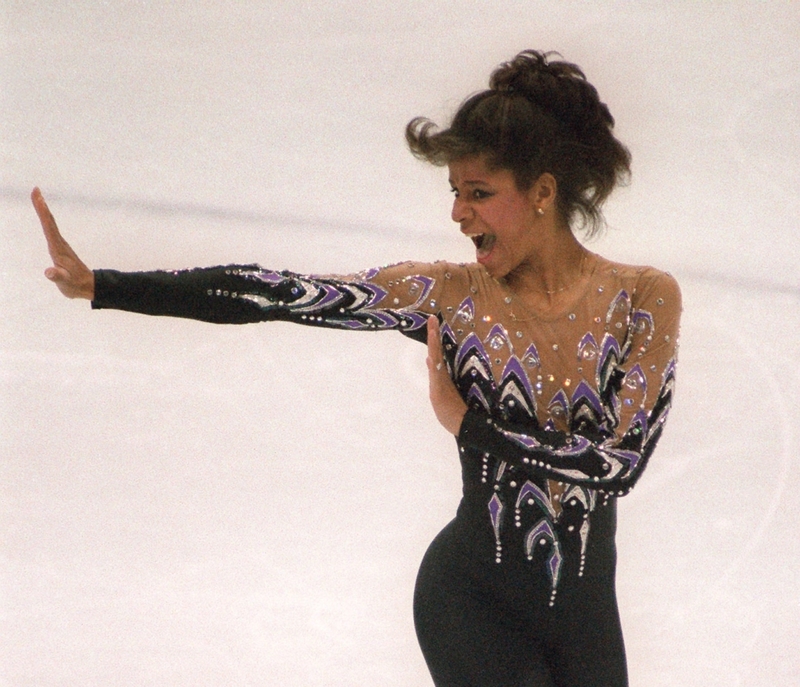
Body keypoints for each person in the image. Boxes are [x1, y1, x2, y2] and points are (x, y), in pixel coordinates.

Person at [34, 50, 681, 687]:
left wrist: (467, 425)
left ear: (543, 192)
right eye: (455, 192)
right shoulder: (450, 297)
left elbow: (618, 463)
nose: (458, 212)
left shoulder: (642, 299)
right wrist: (105, 284)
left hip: (586, 620)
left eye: (479, 193)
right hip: (470, 603)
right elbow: (283, 293)